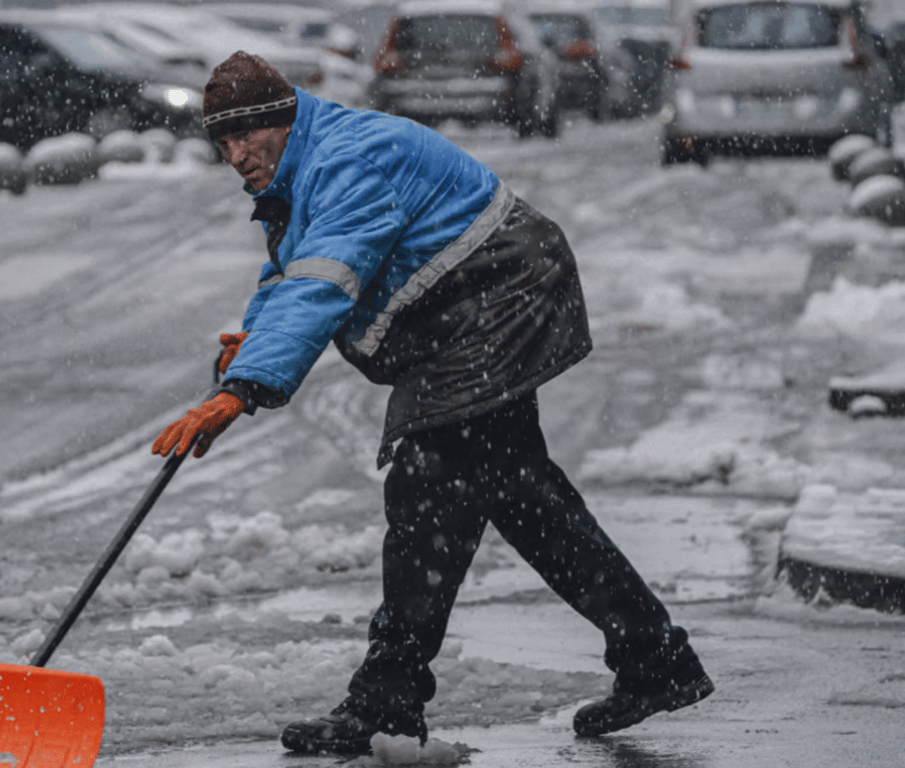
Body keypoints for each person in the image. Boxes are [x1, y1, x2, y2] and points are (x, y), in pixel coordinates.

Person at [151, 51, 714, 754]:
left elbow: (326, 276)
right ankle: (652, 656)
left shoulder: (351, 159)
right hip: (469, 308)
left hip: (500, 294)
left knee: (437, 486)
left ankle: (390, 702)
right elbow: (293, 268)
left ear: (284, 120)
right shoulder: (306, 164)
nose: (236, 156)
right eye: (223, 143)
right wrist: (255, 335)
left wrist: (244, 388)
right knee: (505, 493)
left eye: (247, 137)